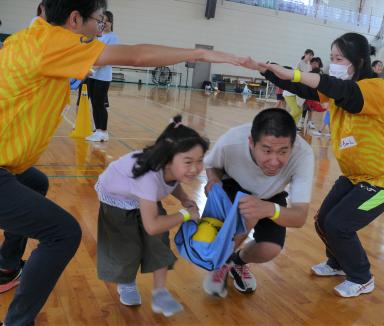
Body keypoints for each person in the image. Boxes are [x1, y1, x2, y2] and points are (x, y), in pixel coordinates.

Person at [0, 0, 243, 324]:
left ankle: (6, 264)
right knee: (64, 233)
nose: (101, 29)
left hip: (9, 166)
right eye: (99, 21)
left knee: (35, 182)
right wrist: (199, 54)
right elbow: (138, 56)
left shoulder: (28, 40)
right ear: (75, 19)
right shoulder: (51, 43)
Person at [242, 32, 384, 297]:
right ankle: (338, 263)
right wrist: (268, 70)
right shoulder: (342, 86)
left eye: (339, 58)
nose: (334, 63)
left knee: (339, 225)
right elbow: (306, 90)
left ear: (359, 60)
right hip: (355, 175)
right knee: (323, 221)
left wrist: (294, 73)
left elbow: (340, 90)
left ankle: (362, 277)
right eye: (331, 58)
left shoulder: (373, 88)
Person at [96, 115, 207, 316]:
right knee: (126, 245)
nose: (195, 168)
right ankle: (126, 282)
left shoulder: (169, 169)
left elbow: (172, 182)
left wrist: (183, 198)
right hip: (116, 199)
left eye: (199, 161)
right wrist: (185, 214)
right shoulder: (148, 177)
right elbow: (152, 226)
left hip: (142, 195)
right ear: (167, 160)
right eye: (188, 161)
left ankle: (160, 292)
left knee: (159, 241)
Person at [202, 108, 314, 297]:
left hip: (271, 195)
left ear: (293, 145)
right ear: (251, 143)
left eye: (283, 151)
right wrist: (213, 180)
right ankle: (220, 262)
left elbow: (300, 216)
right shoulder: (231, 141)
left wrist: (269, 209)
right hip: (233, 184)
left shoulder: (304, 155)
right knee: (244, 217)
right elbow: (212, 165)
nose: (274, 161)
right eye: (267, 150)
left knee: (270, 249)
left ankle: (235, 262)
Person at [86, 10, 119, 142]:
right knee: (94, 103)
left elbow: (111, 57)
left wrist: (95, 67)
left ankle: (104, 131)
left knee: (100, 104)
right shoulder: (99, 37)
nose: (103, 24)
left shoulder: (113, 37)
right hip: (93, 75)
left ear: (111, 23)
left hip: (102, 76)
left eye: (106, 21)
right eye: (101, 21)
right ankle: (98, 131)